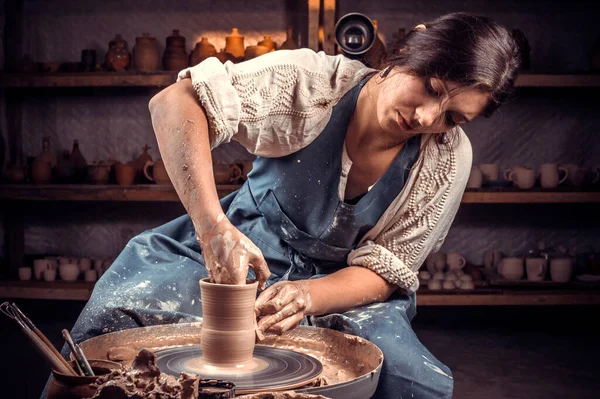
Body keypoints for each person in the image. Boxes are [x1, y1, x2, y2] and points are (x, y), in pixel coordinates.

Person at [51, 12, 520, 399]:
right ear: (414, 47)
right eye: (433, 87)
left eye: (452, 117)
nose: (425, 118)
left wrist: (308, 295)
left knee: (411, 381)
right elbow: (177, 102)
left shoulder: (447, 157)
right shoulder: (313, 83)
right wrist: (212, 227)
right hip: (235, 249)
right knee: (111, 322)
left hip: (339, 284)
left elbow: (388, 268)